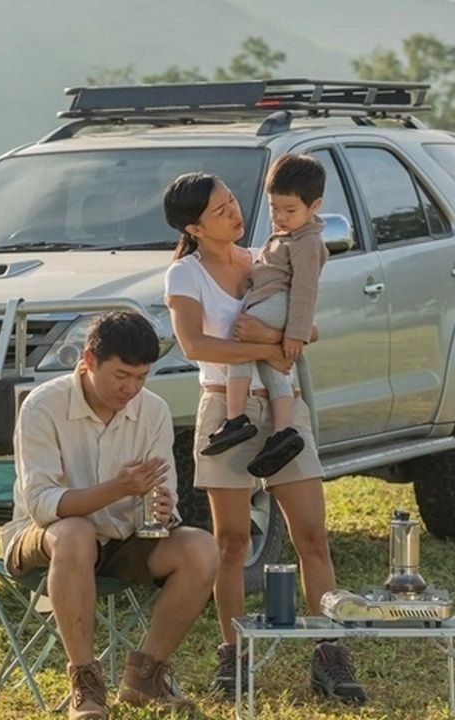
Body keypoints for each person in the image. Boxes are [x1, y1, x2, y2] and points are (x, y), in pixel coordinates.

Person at [161, 171, 367, 704]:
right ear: (195, 227)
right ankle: (235, 653)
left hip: (282, 407)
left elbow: (309, 326)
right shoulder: (184, 275)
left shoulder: (264, 257)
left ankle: (330, 651)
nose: (235, 213)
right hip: (225, 411)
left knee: (313, 537)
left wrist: (272, 341)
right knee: (231, 542)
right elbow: (192, 343)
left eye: (233, 202)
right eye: (220, 210)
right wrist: (267, 349)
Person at [0, 310, 219, 720]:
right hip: (44, 538)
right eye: (121, 375)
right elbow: (43, 504)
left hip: (122, 536)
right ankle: (85, 681)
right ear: (88, 360)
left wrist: (164, 507)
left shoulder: (152, 410)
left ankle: (145, 677)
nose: (131, 388)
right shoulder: (42, 406)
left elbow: (162, 487)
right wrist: (116, 489)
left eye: (141, 377)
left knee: (202, 548)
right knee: (75, 533)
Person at [200, 154, 329, 484]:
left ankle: (236, 416)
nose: (280, 217)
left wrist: (295, 335)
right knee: (272, 367)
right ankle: (283, 431)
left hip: (280, 304)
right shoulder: (290, 236)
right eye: (274, 208)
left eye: (290, 210)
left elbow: (304, 290)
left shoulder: (307, 241)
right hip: (274, 301)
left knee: (241, 342)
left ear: (314, 206)